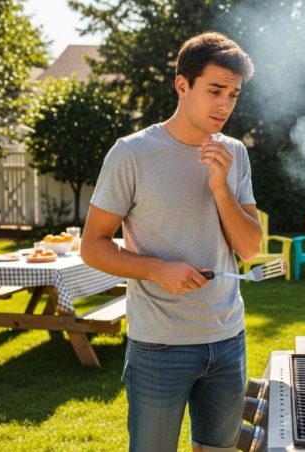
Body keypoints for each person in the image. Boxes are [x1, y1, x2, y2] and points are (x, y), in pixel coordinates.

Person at [80, 32, 261, 452]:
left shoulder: (234, 153)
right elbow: (93, 245)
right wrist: (157, 269)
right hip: (159, 345)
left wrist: (220, 188)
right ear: (183, 85)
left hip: (227, 337)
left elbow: (250, 249)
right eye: (215, 90)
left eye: (233, 95)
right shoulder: (133, 153)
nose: (225, 105)